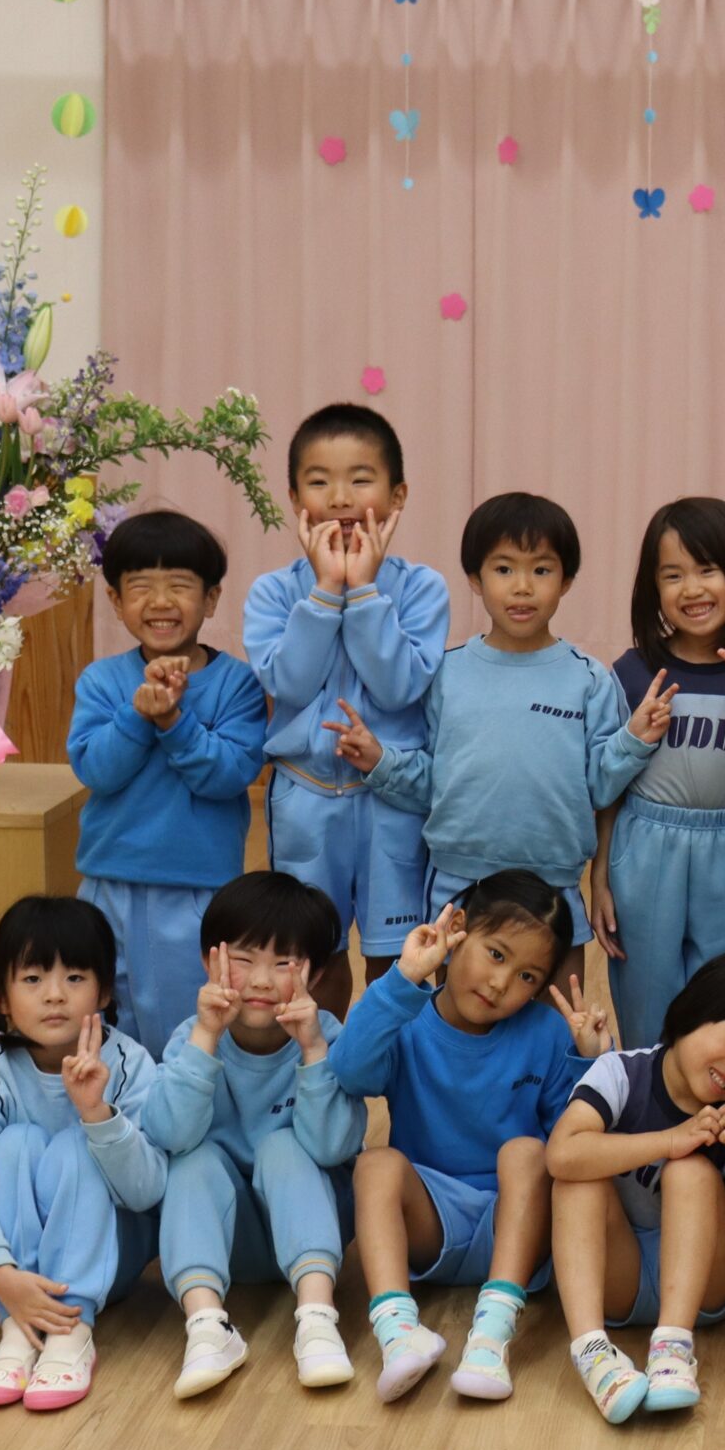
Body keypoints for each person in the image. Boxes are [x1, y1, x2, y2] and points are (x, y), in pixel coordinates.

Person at [331, 493, 663, 992]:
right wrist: (381, 762)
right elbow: (431, 782)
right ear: (475, 578)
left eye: (541, 570)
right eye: (504, 569)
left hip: (553, 886)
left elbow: (598, 787)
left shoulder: (589, 679)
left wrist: (634, 740)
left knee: (558, 1017)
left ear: (566, 581)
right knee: (456, 1014)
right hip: (459, 885)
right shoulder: (445, 674)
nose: (522, 587)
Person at [329, 873, 611, 1402]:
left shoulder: (547, 1033)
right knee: (375, 1164)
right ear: (457, 928)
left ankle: (491, 1337)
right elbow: (348, 1070)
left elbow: (572, 1147)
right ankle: (398, 1331)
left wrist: (588, 1063)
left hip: (520, 1227)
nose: (502, 983)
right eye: (496, 954)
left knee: (528, 1153)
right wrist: (402, 979)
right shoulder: (406, 1017)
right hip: (430, 1224)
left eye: (527, 976)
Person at [244, 403, 450, 1015]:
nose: (339, 498)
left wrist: (362, 591)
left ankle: (397, 1072)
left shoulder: (422, 588)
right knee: (313, 956)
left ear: (397, 495)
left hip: (392, 802)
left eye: (361, 479)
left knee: (398, 956)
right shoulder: (274, 592)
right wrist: (324, 591)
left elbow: (398, 686)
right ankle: (320, 1068)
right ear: (294, 498)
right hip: (305, 800)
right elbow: (289, 680)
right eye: (319, 481)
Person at [546, 950, 725, 1423]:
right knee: (576, 1177)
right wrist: (669, 1140)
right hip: (618, 1280)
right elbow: (560, 1154)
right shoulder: (621, 1072)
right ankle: (591, 1350)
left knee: (691, 1170)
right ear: (694, 1010)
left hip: (707, 1290)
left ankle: (672, 1348)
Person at [145, 872, 366, 1398]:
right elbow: (168, 1135)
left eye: (285, 963)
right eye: (243, 959)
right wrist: (206, 1036)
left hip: (314, 1239)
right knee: (192, 1158)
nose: (262, 980)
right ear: (211, 961)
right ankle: (207, 1326)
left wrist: (313, 1051)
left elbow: (334, 1148)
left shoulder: (328, 1037)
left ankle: (317, 1320)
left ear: (314, 972)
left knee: (282, 1144)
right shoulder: (191, 1038)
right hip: (222, 1244)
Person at [0, 896, 165, 1412]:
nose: (54, 995)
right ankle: (18, 1327)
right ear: (1, 997)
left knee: (74, 1144)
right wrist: (1, 1278)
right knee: (15, 1144)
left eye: (75, 977)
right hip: (15, 1279)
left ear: (104, 992)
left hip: (110, 1259)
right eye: (32, 978)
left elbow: (148, 1191)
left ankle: (71, 1327)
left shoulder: (131, 1064)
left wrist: (97, 1114)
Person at [66, 511, 268, 1058]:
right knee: (106, 1027)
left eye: (179, 585)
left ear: (212, 598)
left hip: (199, 891)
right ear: (115, 601)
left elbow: (229, 775)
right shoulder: (102, 681)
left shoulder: (236, 684)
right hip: (109, 884)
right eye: (141, 587)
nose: (160, 602)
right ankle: (117, 1112)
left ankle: (188, 1113)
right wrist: (138, 715)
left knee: (191, 1031)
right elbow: (96, 770)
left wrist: (174, 722)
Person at [597, 497, 725, 1045]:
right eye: (673, 575)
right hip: (644, 847)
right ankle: (649, 1092)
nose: (692, 589)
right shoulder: (634, 670)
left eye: (707, 569)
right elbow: (608, 788)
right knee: (646, 999)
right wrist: (599, 875)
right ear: (652, 587)